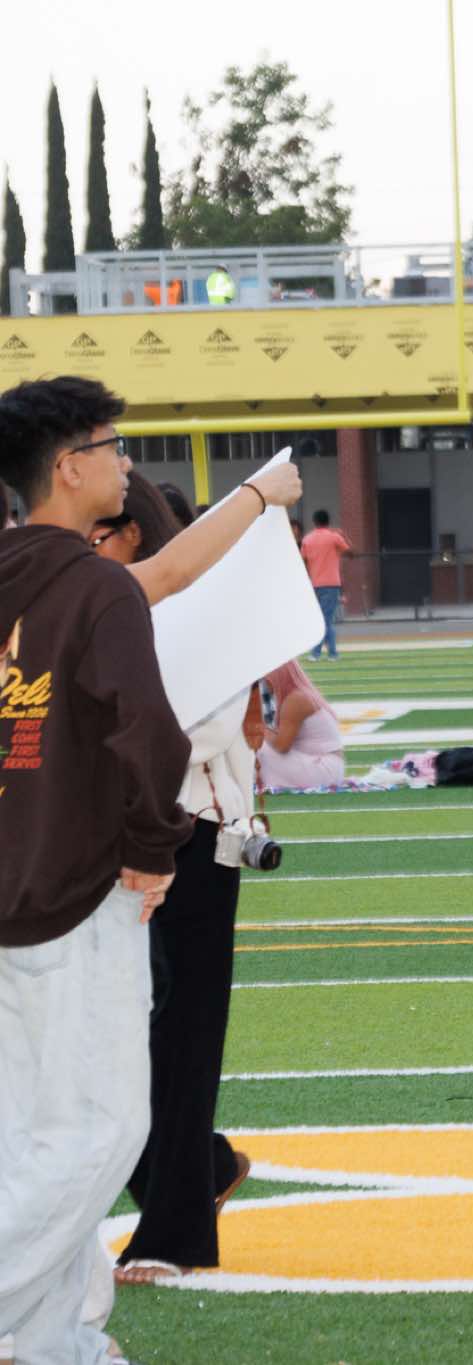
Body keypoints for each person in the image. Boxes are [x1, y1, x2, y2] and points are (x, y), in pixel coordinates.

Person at [0, 376, 191, 1365]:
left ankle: (57, 1344)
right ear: (70, 467)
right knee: (101, 1131)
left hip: (12, 879)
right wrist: (154, 849)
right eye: (114, 446)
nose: (126, 462)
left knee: (29, 1132)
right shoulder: (95, 587)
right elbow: (146, 733)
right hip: (76, 889)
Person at [89, 478, 260, 1285]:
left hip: (195, 835)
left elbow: (208, 728)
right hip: (118, 839)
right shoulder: (104, 609)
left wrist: (112, 743)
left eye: (96, 538)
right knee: (115, 1043)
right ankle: (207, 1165)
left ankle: (175, 1234)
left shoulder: (198, 612)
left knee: (183, 1041)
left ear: (131, 534)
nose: (87, 552)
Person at [256, 659, 346, 790]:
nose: (261, 682)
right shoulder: (297, 695)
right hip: (323, 765)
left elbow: (282, 746)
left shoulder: (296, 699)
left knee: (257, 748)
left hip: (323, 769)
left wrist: (259, 726)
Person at [297, 509, 350, 661]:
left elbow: (302, 560)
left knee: (323, 620)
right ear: (328, 521)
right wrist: (343, 536)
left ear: (314, 522)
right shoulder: (334, 537)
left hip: (314, 584)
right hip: (331, 584)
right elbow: (350, 552)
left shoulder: (307, 539)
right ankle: (325, 653)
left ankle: (325, 653)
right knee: (326, 620)